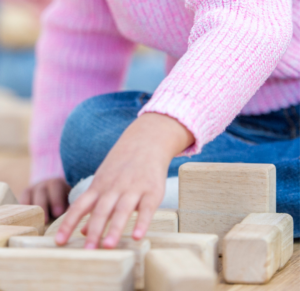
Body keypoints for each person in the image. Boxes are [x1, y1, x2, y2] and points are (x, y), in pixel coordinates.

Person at [20, 0, 299, 249]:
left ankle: (207, 196)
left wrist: (154, 137)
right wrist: (53, 168)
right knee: (89, 134)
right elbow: (80, 36)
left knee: (131, 154)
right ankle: (228, 192)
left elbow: (250, 28)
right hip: (225, 121)